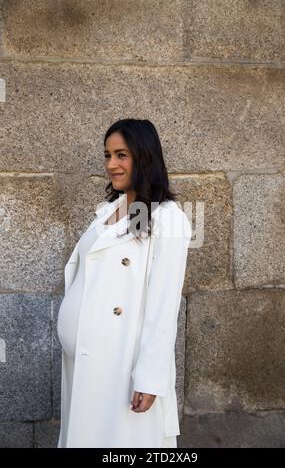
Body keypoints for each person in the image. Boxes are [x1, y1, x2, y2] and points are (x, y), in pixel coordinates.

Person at [57, 118, 192, 448]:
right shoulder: (109, 209)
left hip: (122, 364)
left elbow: (163, 306)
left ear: (144, 157)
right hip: (86, 362)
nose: (111, 165)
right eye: (107, 155)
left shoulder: (167, 216)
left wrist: (149, 377)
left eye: (121, 155)